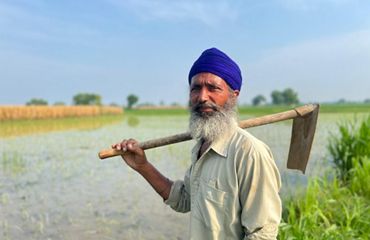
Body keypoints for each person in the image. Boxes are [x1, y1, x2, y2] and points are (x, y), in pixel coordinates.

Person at [112, 48, 282, 239]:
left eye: (213, 88)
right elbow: (185, 200)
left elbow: (262, 234)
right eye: (196, 88)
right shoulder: (202, 146)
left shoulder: (249, 152)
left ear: (233, 96)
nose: (202, 97)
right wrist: (143, 166)